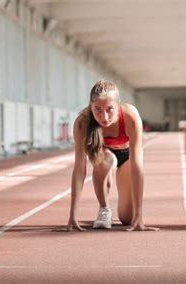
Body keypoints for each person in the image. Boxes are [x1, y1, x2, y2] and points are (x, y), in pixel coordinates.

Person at [66, 80, 158, 232]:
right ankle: (104, 209)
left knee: (128, 219)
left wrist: (139, 215)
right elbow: (79, 169)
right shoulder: (82, 122)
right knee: (106, 160)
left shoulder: (130, 116)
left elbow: (137, 167)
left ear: (118, 106)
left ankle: (133, 214)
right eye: (97, 110)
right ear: (90, 107)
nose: (104, 117)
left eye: (110, 109)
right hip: (103, 154)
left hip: (128, 157)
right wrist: (72, 216)